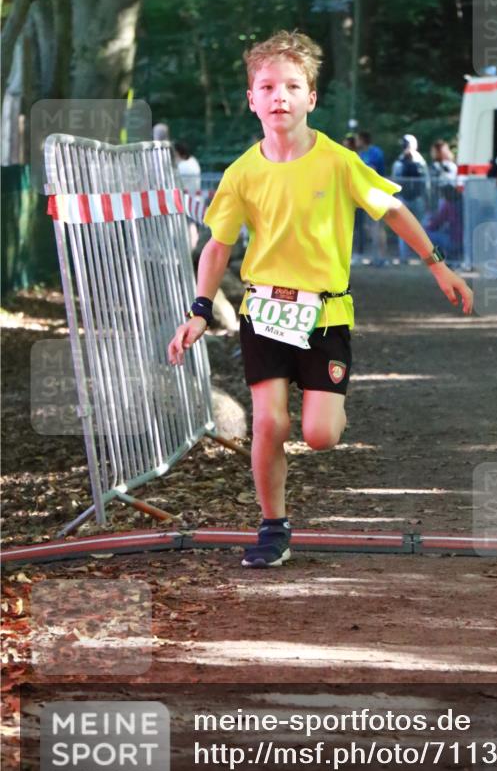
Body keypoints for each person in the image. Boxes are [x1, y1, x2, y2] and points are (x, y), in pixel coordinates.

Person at [167, 30, 473, 569]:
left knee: (320, 434)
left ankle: (325, 410)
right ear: (252, 100)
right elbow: (216, 246)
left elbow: (394, 211)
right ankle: (272, 526)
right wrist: (198, 309)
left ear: (311, 97)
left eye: (291, 85)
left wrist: (437, 265)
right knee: (269, 424)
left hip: (325, 313)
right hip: (263, 311)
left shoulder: (337, 161)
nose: (279, 95)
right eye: (267, 86)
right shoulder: (241, 173)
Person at [391, 134, 429, 262]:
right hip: (417, 199)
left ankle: (404, 257)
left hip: (405, 199)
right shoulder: (421, 161)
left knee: (404, 228)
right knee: (420, 228)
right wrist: (427, 198)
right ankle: (425, 257)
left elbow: (395, 180)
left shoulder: (399, 162)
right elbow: (426, 181)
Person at [356, 130, 387, 265]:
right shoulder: (361, 153)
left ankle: (382, 257)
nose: (356, 142)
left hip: (377, 193)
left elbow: (372, 169)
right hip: (366, 194)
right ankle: (375, 256)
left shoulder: (375, 152)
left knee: (378, 226)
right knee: (369, 227)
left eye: (358, 139)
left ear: (363, 139)